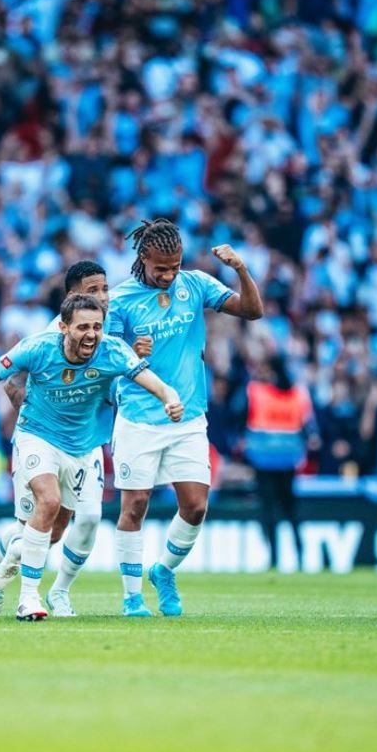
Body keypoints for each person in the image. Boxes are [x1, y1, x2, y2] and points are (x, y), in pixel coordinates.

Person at [0, 293, 184, 620]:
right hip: (37, 436)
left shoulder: (114, 351)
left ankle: (5, 563)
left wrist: (170, 397)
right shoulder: (37, 348)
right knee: (47, 502)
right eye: (83, 327)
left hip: (82, 447)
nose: (92, 334)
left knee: (57, 532)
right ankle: (28, 599)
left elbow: (155, 383)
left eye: (97, 326)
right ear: (64, 327)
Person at [105, 218, 262, 617]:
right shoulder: (120, 301)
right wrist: (130, 353)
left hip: (189, 417)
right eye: (161, 268)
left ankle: (164, 570)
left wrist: (240, 269)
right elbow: (102, 358)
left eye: (175, 266)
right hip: (139, 416)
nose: (169, 274)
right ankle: (131, 597)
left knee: (195, 507)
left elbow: (251, 311)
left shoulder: (194, 285)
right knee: (135, 504)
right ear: (143, 258)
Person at [0, 260, 126, 618]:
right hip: (44, 439)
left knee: (73, 525)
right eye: (92, 291)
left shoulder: (113, 324)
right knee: (38, 520)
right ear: (72, 297)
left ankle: (58, 590)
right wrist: (45, 424)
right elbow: (13, 382)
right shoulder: (54, 334)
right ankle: (4, 566)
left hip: (87, 440)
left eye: (105, 289)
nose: (103, 297)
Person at [242, 354, 316, 569]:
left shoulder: (256, 391)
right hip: (288, 460)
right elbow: (308, 426)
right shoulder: (299, 393)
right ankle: (300, 556)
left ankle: (274, 558)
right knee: (290, 510)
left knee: (268, 510)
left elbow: (240, 413)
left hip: (262, 459)